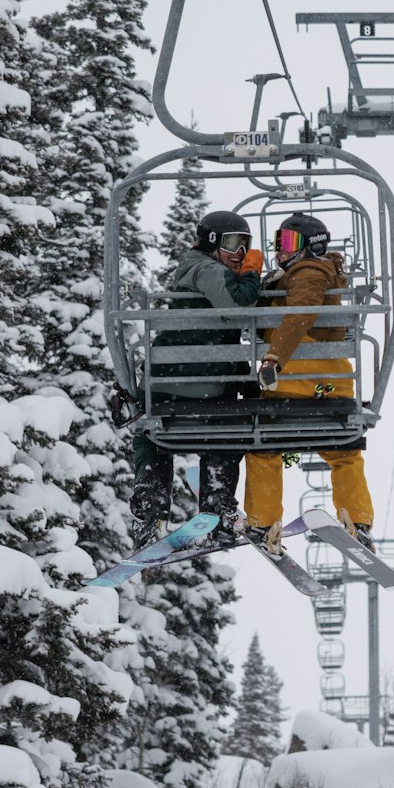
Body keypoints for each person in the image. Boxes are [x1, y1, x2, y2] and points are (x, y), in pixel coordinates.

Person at [128, 210, 264, 548]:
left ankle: (150, 508)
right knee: (226, 432)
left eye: (246, 246)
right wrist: (252, 274)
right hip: (203, 385)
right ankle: (218, 509)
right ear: (212, 243)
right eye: (233, 243)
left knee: (152, 435)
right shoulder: (208, 269)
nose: (240, 254)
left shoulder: (196, 269)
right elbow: (235, 306)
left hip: (164, 384)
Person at [243, 211, 376, 551]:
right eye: (279, 242)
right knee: (343, 452)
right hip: (334, 382)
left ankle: (262, 523)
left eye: (288, 242)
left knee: (264, 448)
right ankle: (357, 520)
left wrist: (275, 357)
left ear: (310, 246)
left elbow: (301, 311)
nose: (281, 250)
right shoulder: (311, 272)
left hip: (298, 376)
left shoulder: (309, 271)